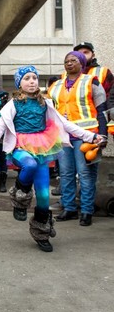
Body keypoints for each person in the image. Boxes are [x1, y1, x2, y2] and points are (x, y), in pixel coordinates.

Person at [0, 66, 103, 252]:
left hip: (41, 147)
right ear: (19, 83)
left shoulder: (45, 103)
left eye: (34, 78)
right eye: (27, 78)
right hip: (20, 148)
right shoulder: (13, 104)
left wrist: (90, 137)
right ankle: (20, 198)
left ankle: (42, 233)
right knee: (29, 165)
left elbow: (65, 124)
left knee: (44, 196)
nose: (32, 81)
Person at [48, 51, 108, 226]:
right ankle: (69, 208)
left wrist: (102, 136)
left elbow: (102, 110)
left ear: (82, 63)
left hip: (88, 136)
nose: (69, 63)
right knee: (66, 174)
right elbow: (50, 113)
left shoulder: (92, 82)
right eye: (66, 60)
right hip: (64, 137)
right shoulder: (55, 86)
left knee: (86, 174)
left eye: (74, 60)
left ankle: (87, 211)